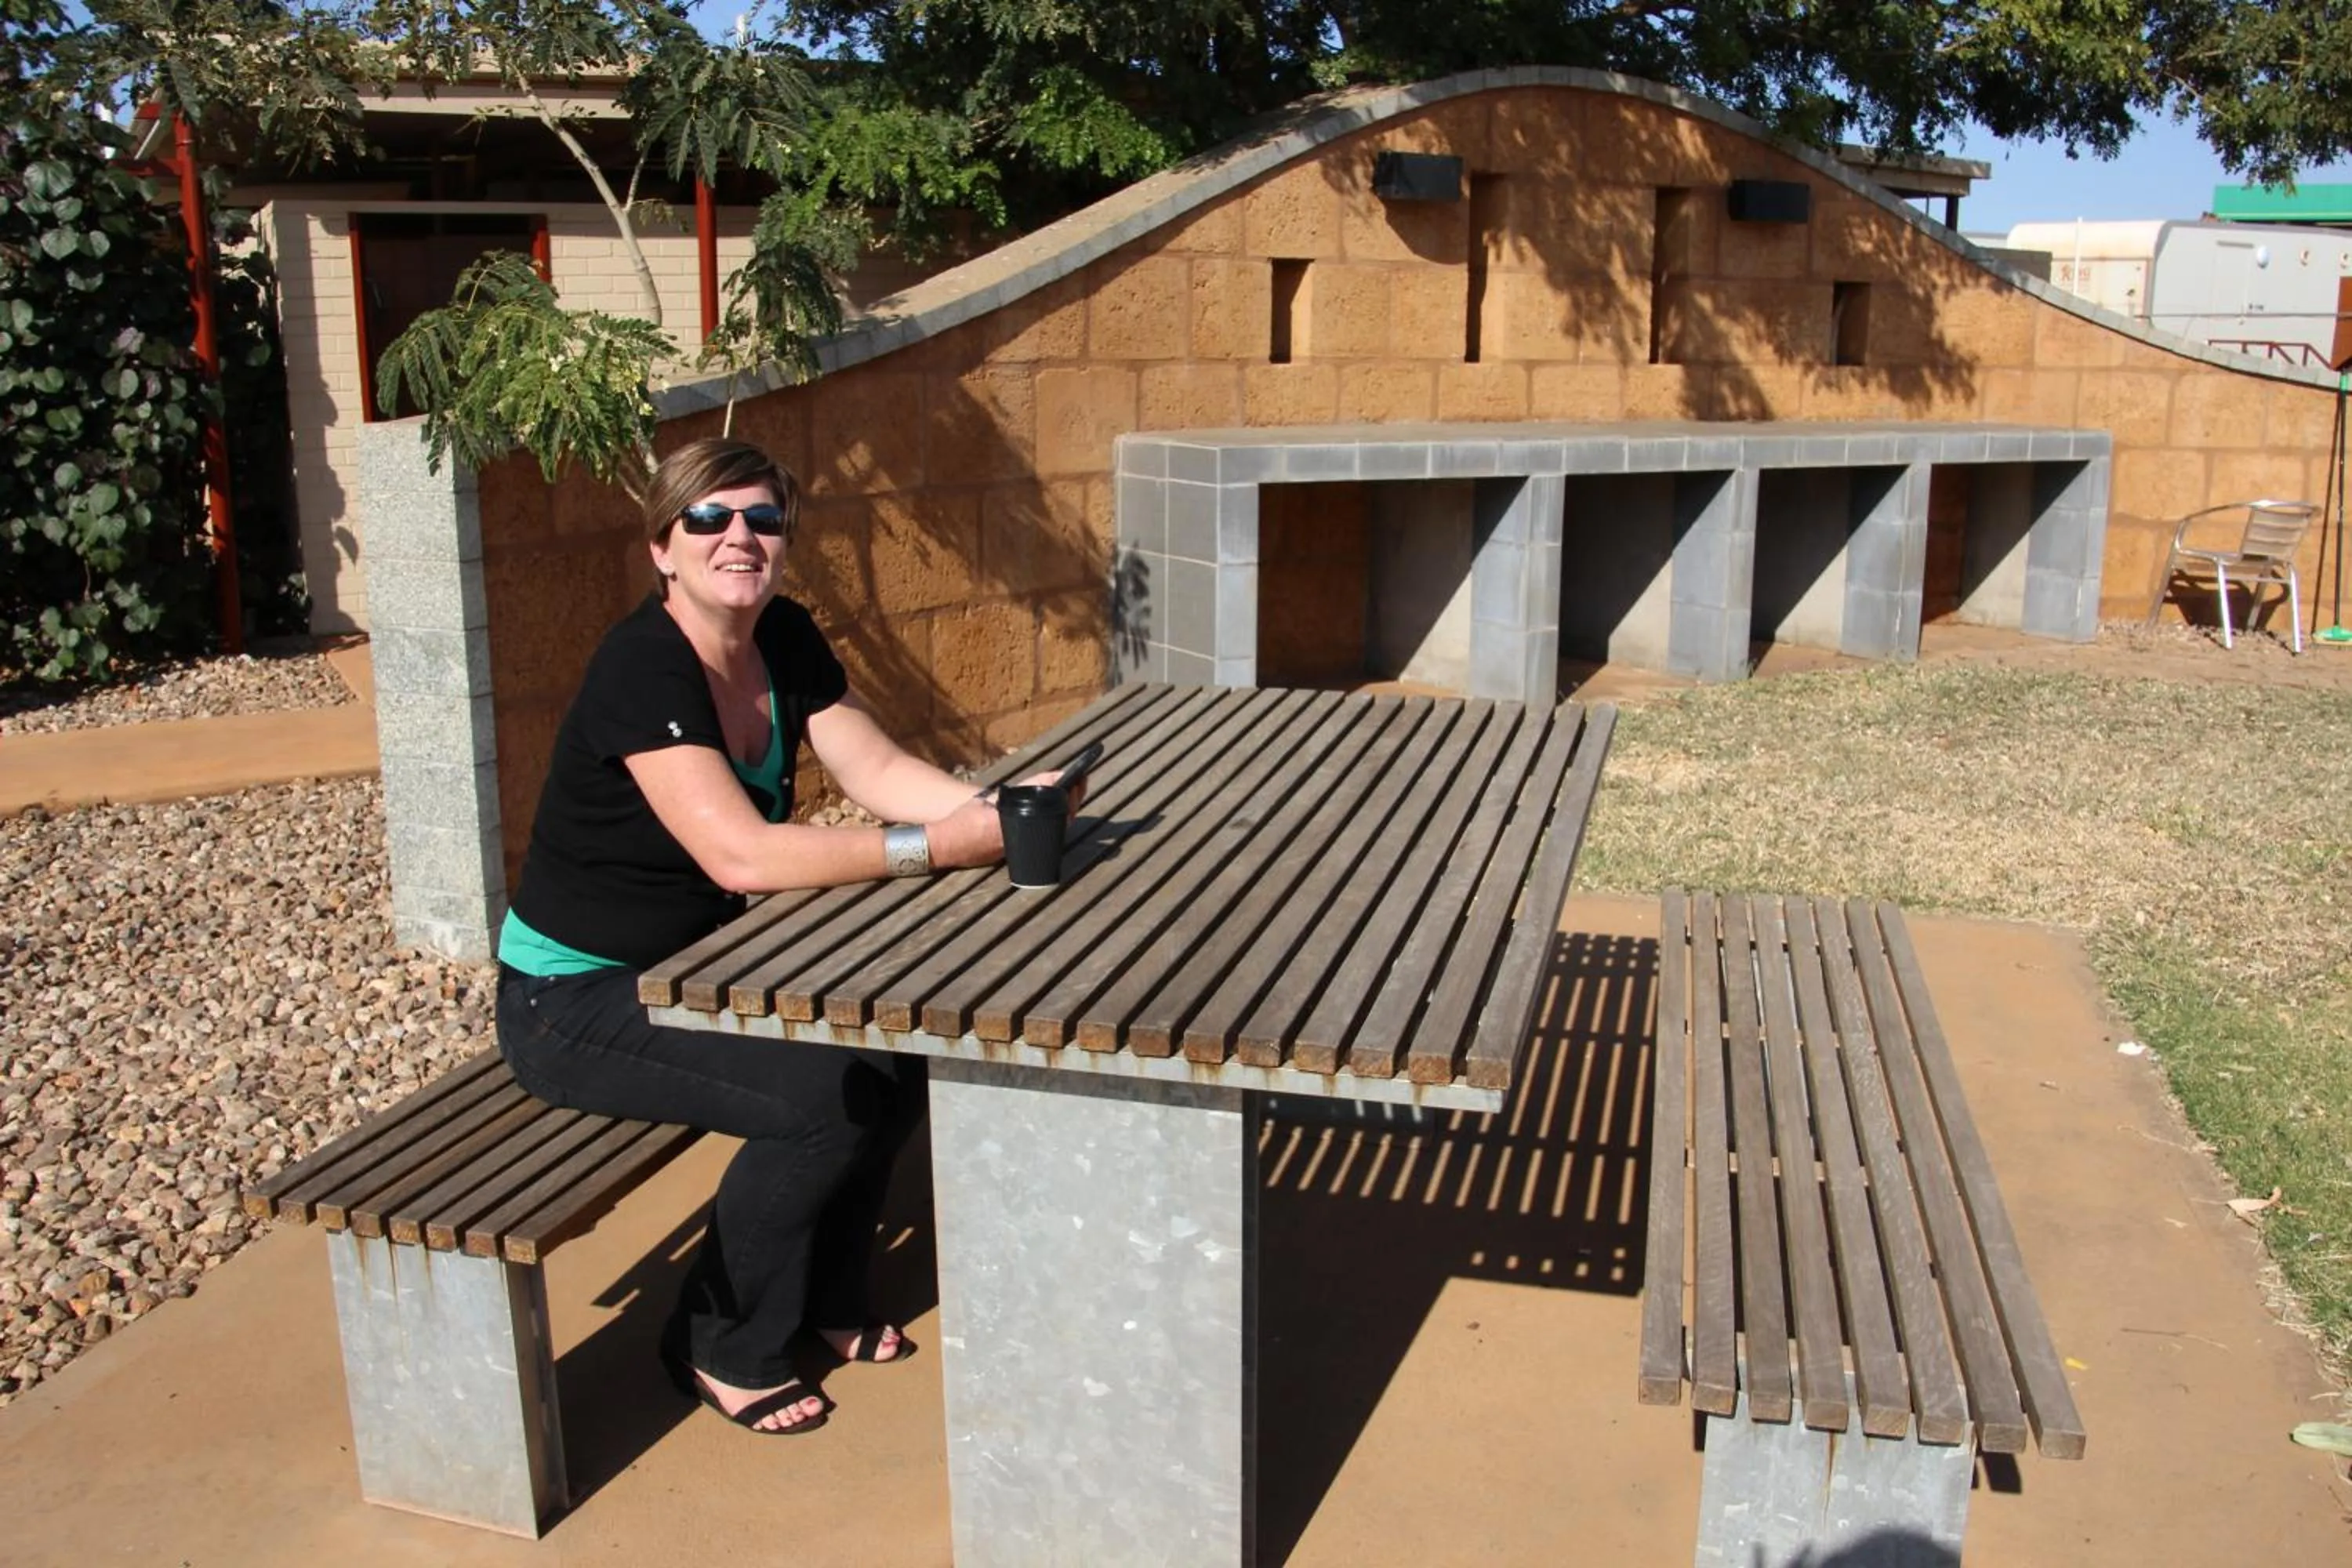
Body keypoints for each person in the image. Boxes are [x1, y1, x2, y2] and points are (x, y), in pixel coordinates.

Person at [495, 437, 1069, 1435]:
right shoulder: (642, 666)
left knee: (891, 1062)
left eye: (762, 518)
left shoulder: (785, 636)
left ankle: (827, 1297)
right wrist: (935, 846)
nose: (739, 537)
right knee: (820, 1104)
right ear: (661, 549)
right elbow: (743, 859)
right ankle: (720, 1338)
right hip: (574, 1000)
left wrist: (996, 809)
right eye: (709, 519)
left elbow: (878, 768)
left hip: (698, 971)